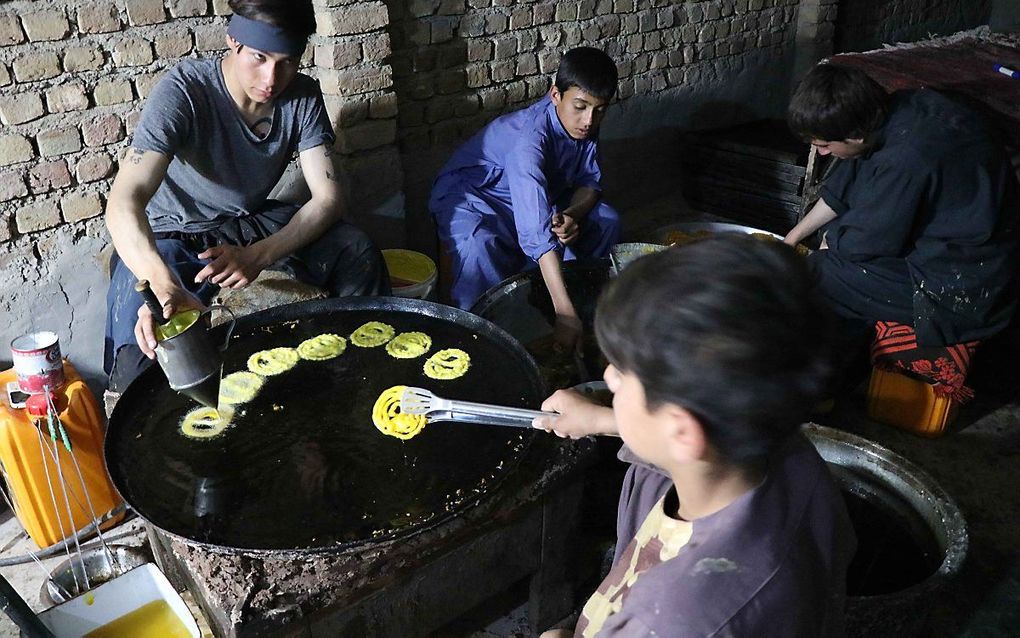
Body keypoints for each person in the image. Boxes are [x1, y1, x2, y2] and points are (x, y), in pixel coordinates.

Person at [533, 236, 856, 637]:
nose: (611, 378)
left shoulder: (671, 621)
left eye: (621, 371)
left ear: (682, 430)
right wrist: (604, 420)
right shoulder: (790, 453)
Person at [103, 0, 390, 392]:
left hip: (247, 224)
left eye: (287, 61)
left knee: (355, 249)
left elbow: (328, 198)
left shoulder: (302, 97)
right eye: (259, 57)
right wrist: (161, 281)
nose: (272, 78)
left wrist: (260, 255)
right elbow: (123, 201)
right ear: (233, 42)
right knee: (140, 354)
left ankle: (362, 379)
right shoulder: (186, 91)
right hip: (175, 232)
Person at [784, 63, 1019, 355]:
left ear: (855, 136)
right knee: (827, 239)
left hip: (964, 280)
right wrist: (790, 240)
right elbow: (842, 191)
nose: (821, 152)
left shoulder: (906, 159)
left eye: (824, 145)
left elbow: (862, 244)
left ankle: (840, 366)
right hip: (955, 234)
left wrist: (825, 246)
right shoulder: (892, 110)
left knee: (820, 272)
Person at [429, 47, 622, 347]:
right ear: (555, 94)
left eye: (599, 110)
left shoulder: (584, 124)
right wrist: (564, 313)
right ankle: (482, 338)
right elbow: (536, 230)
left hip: (538, 195)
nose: (588, 120)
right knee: (477, 244)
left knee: (607, 219)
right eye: (580, 107)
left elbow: (589, 181)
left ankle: (580, 301)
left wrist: (573, 213)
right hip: (478, 196)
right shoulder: (528, 139)